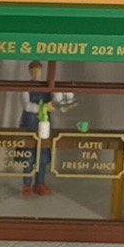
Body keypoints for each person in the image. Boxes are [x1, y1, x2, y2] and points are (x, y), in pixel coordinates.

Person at [18, 62, 76, 198]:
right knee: (28, 154)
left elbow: (57, 102)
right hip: (29, 122)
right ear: (30, 71)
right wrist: (44, 107)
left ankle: (40, 183)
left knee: (42, 154)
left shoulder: (48, 86)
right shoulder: (26, 87)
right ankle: (27, 184)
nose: (37, 73)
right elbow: (27, 105)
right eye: (34, 71)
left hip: (44, 123)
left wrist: (64, 105)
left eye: (38, 70)